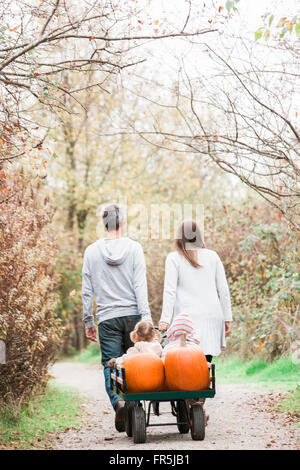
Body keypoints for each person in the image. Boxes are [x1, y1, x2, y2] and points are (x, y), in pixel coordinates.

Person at [82, 203, 152, 431]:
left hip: (107, 318)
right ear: (122, 222)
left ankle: (119, 402)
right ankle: (133, 407)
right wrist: (146, 317)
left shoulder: (91, 251)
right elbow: (140, 284)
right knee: (135, 361)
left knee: (111, 365)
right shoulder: (134, 248)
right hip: (133, 315)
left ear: (104, 223)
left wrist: (88, 321)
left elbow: (86, 290)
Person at [159, 220, 233, 421]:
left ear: (179, 237)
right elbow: (223, 290)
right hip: (211, 317)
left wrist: (165, 320)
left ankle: (194, 407)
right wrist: (227, 318)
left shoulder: (174, 258)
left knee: (185, 365)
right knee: (203, 365)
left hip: (187, 321)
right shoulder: (213, 256)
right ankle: (198, 407)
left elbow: (170, 291)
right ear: (199, 236)